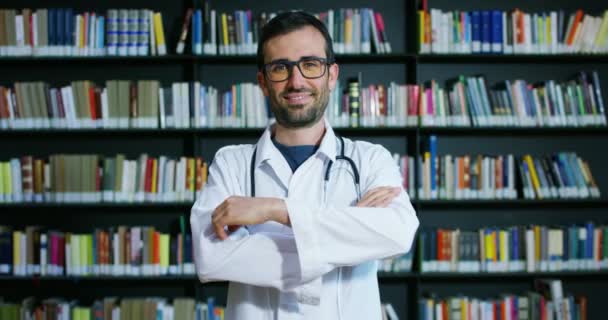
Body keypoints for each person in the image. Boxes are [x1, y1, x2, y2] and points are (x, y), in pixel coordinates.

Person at [190, 11, 419, 319]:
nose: (296, 81)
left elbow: (397, 233)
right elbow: (211, 259)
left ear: (332, 75)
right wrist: (349, 234)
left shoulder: (369, 159)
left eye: (310, 65)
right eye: (280, 68)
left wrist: (277, 210)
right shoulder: (231, 163)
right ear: (262, 81)